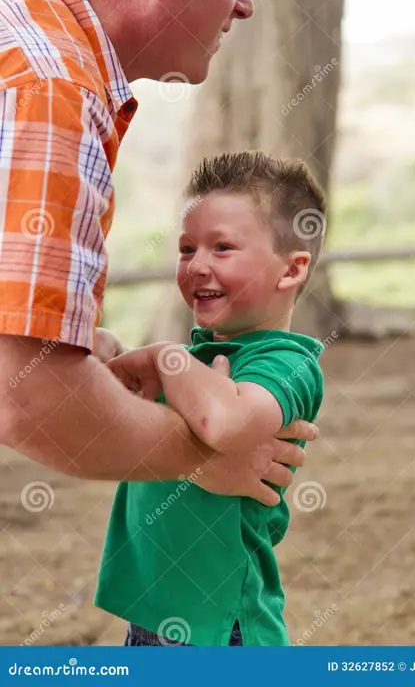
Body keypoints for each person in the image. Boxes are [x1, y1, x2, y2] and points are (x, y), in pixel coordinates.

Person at [0, 0, 317, 503]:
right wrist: (205, 457)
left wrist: (80, 353)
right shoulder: (54, 91)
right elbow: (26, 396)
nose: (244, 3)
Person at [95, 151, 327, 646]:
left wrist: (162, 358)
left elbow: (224, 423)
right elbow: (143, 406)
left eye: (222, 248)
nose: (197, 265)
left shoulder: (287, 363)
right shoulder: (196, 359)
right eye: (185, 248)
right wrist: (106, 357)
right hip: (154, 615)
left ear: (291, 271)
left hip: (223, 627)